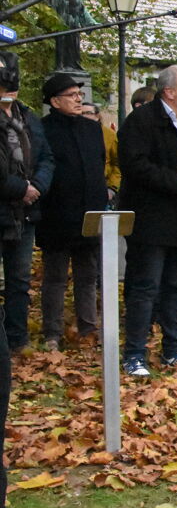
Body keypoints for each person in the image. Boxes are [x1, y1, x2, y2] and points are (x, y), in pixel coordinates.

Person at [118, 65, 177, 376]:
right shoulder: (142, 121)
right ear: (169, 92)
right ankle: (134, 353)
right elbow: (136, 166)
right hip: (150, 221)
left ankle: (174, 347)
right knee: (145, 287)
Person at [38, 74, 107, 351]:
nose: (79, 99)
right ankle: (51, 333)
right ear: (55, 101)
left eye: (80, 94)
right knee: (55, 278)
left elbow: (99, 164)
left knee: (87, 274)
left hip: (89, 214)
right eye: (72, 95)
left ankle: (88, 327)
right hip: (55, 216)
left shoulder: (92, 129)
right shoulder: (42, 130)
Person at [0, 54, 52, 353]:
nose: (11, 90)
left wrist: (36, 187)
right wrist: (21, 188)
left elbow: (46, 157)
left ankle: (17, 339)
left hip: (25, 213)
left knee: (19, 280)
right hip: (6, 206)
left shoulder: (28, 117)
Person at [81, 101, 121, 200]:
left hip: (102, 189)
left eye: (88, 113)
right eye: (81, 113)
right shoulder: (75, 133)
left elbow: (118, 163)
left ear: (97, 116)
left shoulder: (109, 135)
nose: (84, 116)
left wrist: (112, 188)